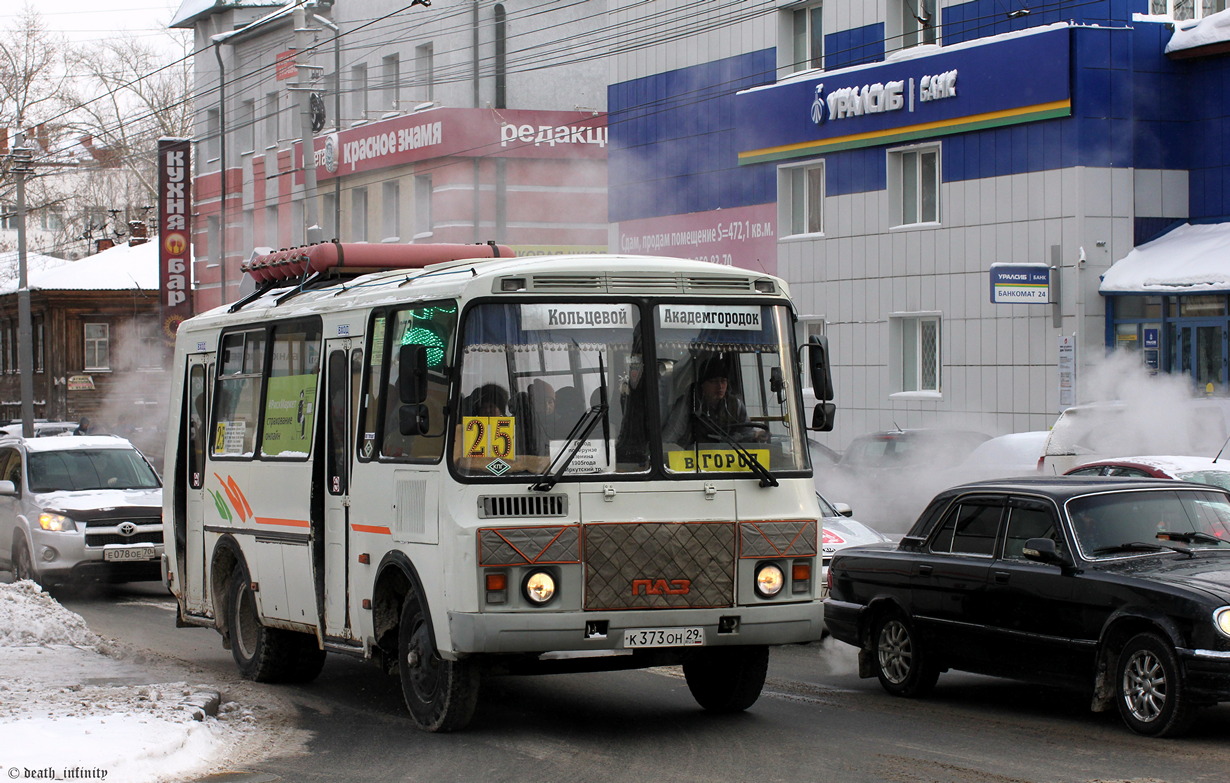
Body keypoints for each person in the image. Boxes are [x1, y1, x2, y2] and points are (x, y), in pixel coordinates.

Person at [663, 357, 765, 446]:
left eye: (723, 381)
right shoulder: (689, 404)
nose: (720, 387)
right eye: (713, 382)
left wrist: (756, 435)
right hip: (694, 460)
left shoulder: (735, 405)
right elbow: (671, 435)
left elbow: (746, 432)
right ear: (702, 385)